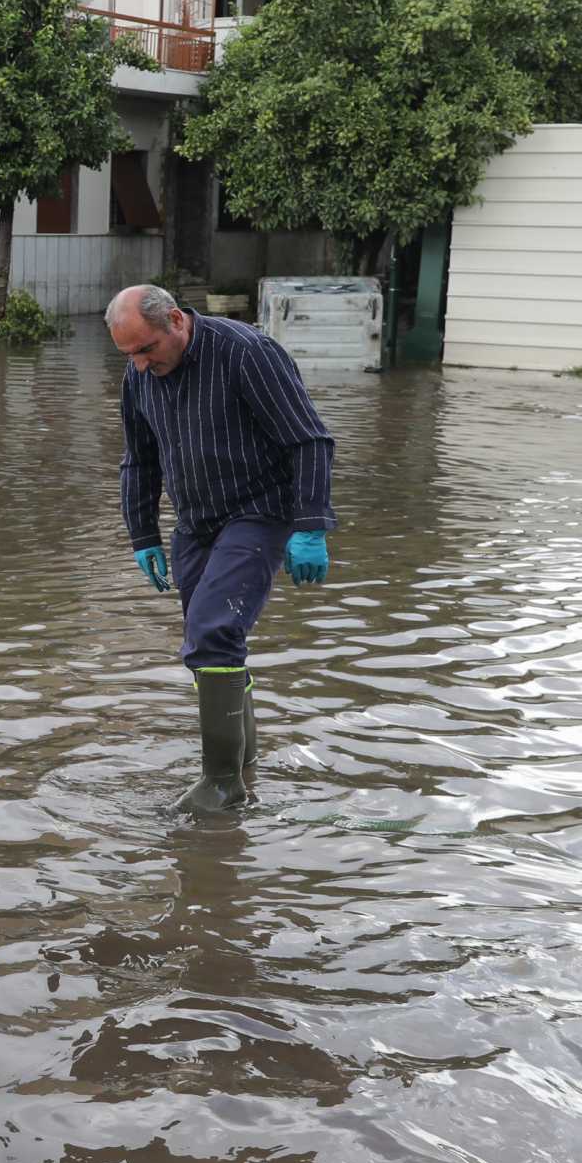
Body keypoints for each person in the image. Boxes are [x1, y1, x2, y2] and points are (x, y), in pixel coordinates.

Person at [107, 284, 335, 814]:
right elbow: (139, 459)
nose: (139, 365)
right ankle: (244, 757)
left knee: (213, 631)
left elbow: (310, 440)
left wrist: (311, 524)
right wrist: (142, 534)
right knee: (207, 641)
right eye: (128, 355)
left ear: (178, 323)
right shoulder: (139, 377)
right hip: (197, 518)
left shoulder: (246, 353)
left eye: (146, 350)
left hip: (260, 509)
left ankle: (222, 784)